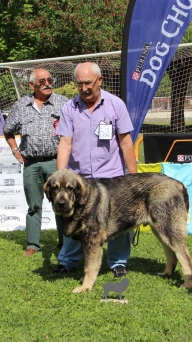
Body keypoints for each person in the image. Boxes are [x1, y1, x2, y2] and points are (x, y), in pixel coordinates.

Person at [53, 62, 137, 278]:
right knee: (72, 219)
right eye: (79, 83)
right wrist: (61, 176)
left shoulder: (116, 105)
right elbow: (65, 143)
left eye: (88, 83)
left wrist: (134, 177)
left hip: (112, 177)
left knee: (116, 221)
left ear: (99, 80)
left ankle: (118, 262)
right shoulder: (69, 108)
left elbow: (126, 142)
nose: (84, 88)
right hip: (80, 179)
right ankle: (68, 261)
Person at [3, 68, 68, 256]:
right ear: (32, 85)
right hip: (31, 164)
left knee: (61, 204)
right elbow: (8, 130)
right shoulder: (21, 105)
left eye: (50, 79)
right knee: (34, 206)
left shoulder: (63, 103)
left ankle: (66, 244)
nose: (47, 83)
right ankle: (33, 245)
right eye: (42, 81)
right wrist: (15, 150)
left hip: (56, 163)